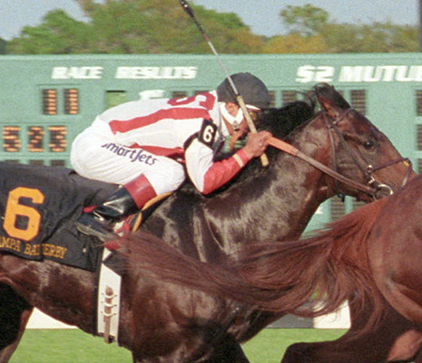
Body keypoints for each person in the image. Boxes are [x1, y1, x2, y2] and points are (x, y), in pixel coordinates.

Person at [70, 72, 274, 240]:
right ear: (231, 107)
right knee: (171, 172)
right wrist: (246, 152)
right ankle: (99, 217)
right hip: (96, 147)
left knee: (174, 170)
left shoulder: (212, 114)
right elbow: (205, 182)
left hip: (109, 142)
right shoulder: (202, 122)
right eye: (253, 115)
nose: (254, 124)